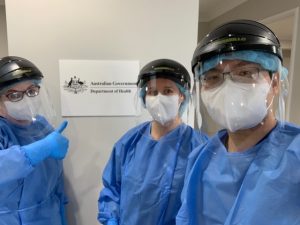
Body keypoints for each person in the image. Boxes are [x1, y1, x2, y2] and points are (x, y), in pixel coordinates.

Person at [176, 19, 300, 225]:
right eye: (213, 77)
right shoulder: (200, 160)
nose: (228, 88)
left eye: (244, 73)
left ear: (275, 82)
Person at [98, 59, 207, 225]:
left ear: (181, 96)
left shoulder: (199, 147)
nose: (159, 98)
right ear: (144, 97)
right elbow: (112, 188)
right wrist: (111, 219)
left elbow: (206, 204)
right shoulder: (129, 143)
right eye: (153, 92)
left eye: (168, 91)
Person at [0, 56, 69, 225]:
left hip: (50, 216)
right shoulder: (3, 130)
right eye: (14, 95)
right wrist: (42, 148)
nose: (27, 99)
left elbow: (55, 180)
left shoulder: (42, 126)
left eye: (32, 91)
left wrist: (61, 211)